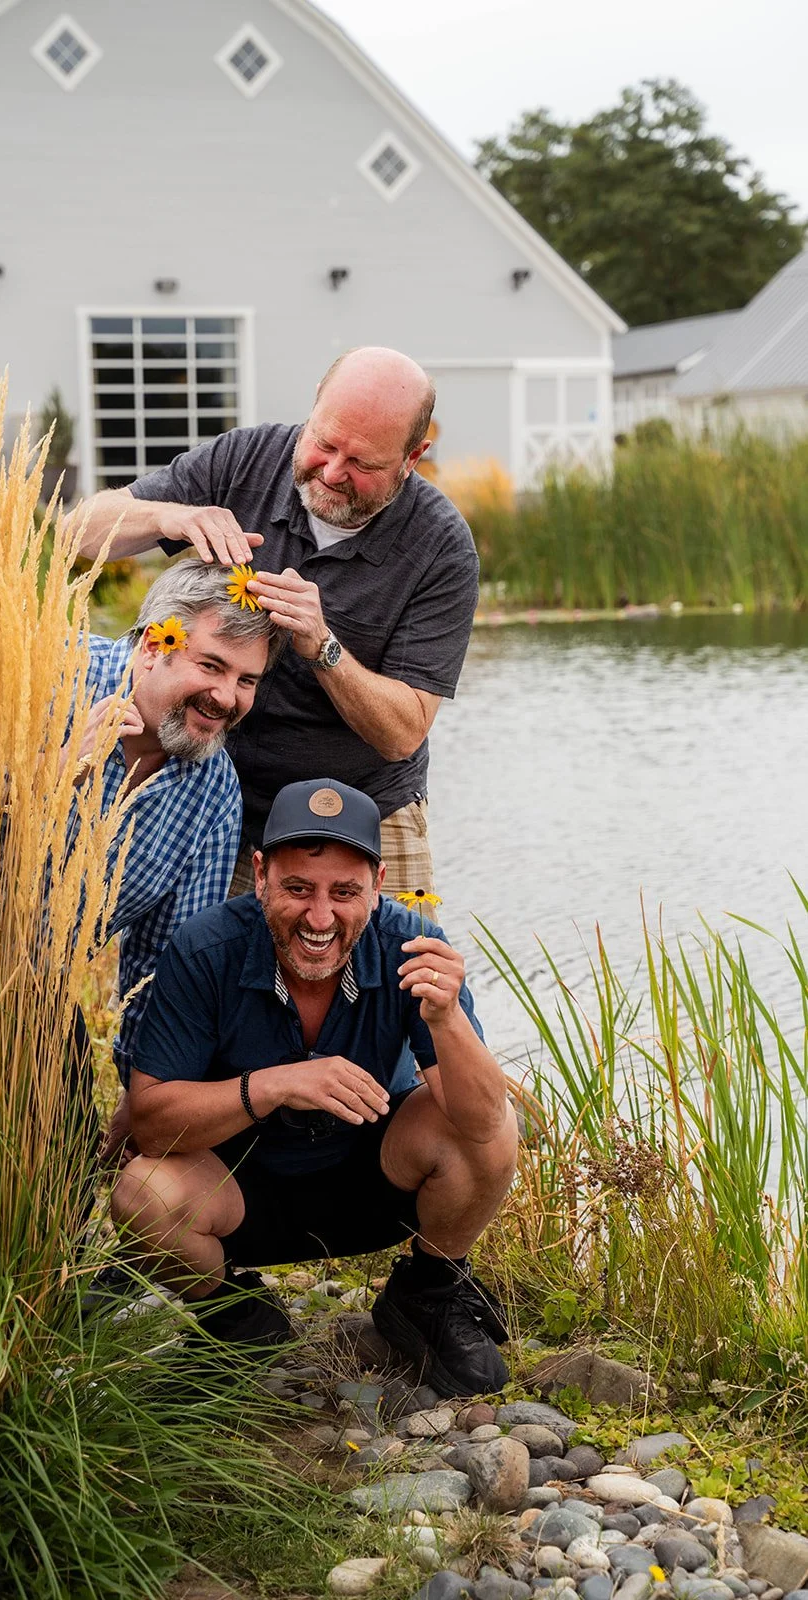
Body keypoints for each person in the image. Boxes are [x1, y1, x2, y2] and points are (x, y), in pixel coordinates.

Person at [108, 778, 517, 1397]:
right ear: (262, 875)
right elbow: (151, 1125)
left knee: (487, 1131)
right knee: (142, 1194)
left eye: (344, 893)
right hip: (244, 1192)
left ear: (378, 887)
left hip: (376, 1185)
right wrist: (273, 1085)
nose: (320, 918)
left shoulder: (410, 947)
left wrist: (447, 1019)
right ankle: (235, 1318)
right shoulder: (203, 947)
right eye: (297, 889)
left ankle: (428, 1294)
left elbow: (485, 1124)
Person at [65, 347, 479, 896]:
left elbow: (403, 733)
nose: (333, 471)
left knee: (399, 979)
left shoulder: (442, 547)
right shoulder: (246, 458)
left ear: (412, 456)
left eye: (363, 464)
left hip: (366, 811)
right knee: (208, 976)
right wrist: (172, 515)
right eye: (324, 443)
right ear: (312, 410)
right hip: (217, 801)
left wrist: (322, 646)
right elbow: (77, 532)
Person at [66, 557, 281, 1102]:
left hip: (28, 999)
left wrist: (147, 1098)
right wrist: (58, 768)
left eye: (246, 680)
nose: (228, 698)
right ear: (151, 648)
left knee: (66, 1165)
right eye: (211, 666)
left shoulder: (213, 793)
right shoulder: (49, 667)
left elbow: (165, 968)